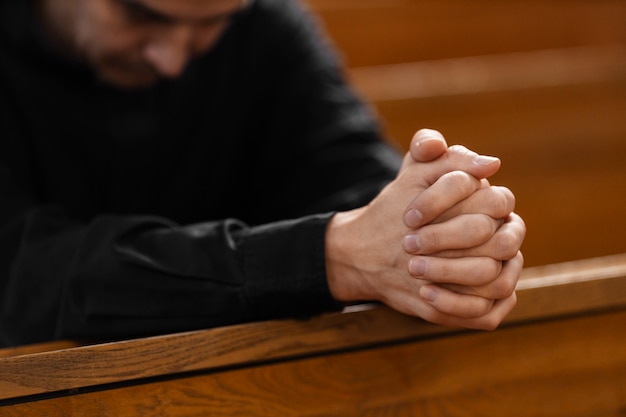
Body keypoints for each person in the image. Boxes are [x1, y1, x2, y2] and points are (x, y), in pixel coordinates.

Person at [0, 0, 525, 347]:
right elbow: (23, 273)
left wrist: (444, 235)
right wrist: (330, 258)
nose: (173, 61)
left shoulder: (262, 22)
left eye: (210, 25)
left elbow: (358, 182)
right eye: (142, 15)